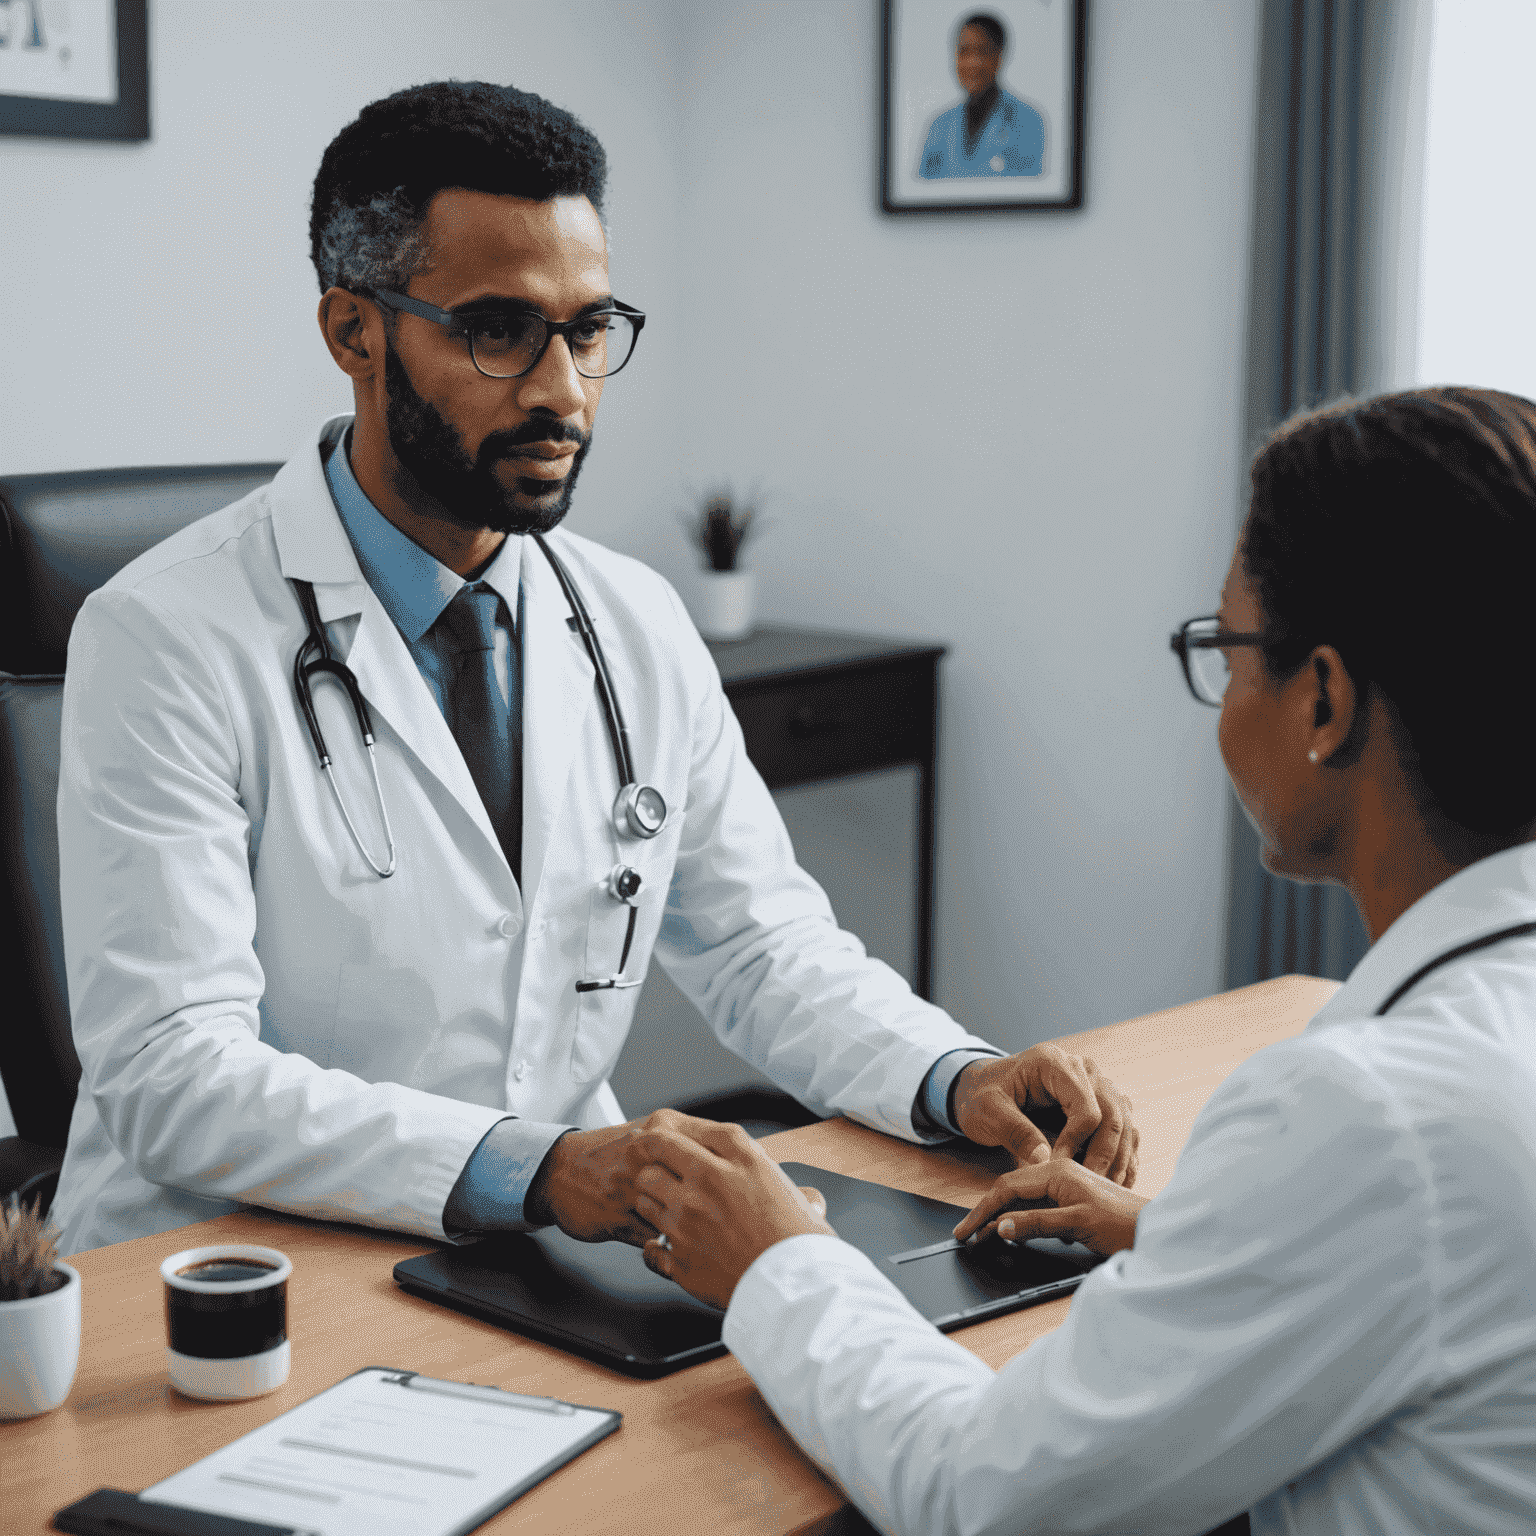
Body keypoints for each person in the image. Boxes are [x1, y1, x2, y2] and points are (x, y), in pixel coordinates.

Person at [49, 80, 1139, 1257]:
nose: (564, 389)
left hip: (536, 1259)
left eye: (587, 328)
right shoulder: (163, 635)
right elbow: (172, 1072)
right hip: (221, 1278)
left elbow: (761, 946)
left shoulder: (632, 619)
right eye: (499, 330)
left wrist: (952, 1074)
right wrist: (543, 1164)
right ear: (353, 332)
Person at [630, 388, 1536, 1534]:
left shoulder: (1369, 1113)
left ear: (1323, 699)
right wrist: (1186, 1240)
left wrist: (775, 1261)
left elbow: (986, 1494)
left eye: (1226, 646)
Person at [918, 13, 1045, 180]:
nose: (972, 62)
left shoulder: (1027, 121)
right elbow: (922, 196)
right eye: (964, 52)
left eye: (982, 52)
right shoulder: (939, 127)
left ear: (999, 56)